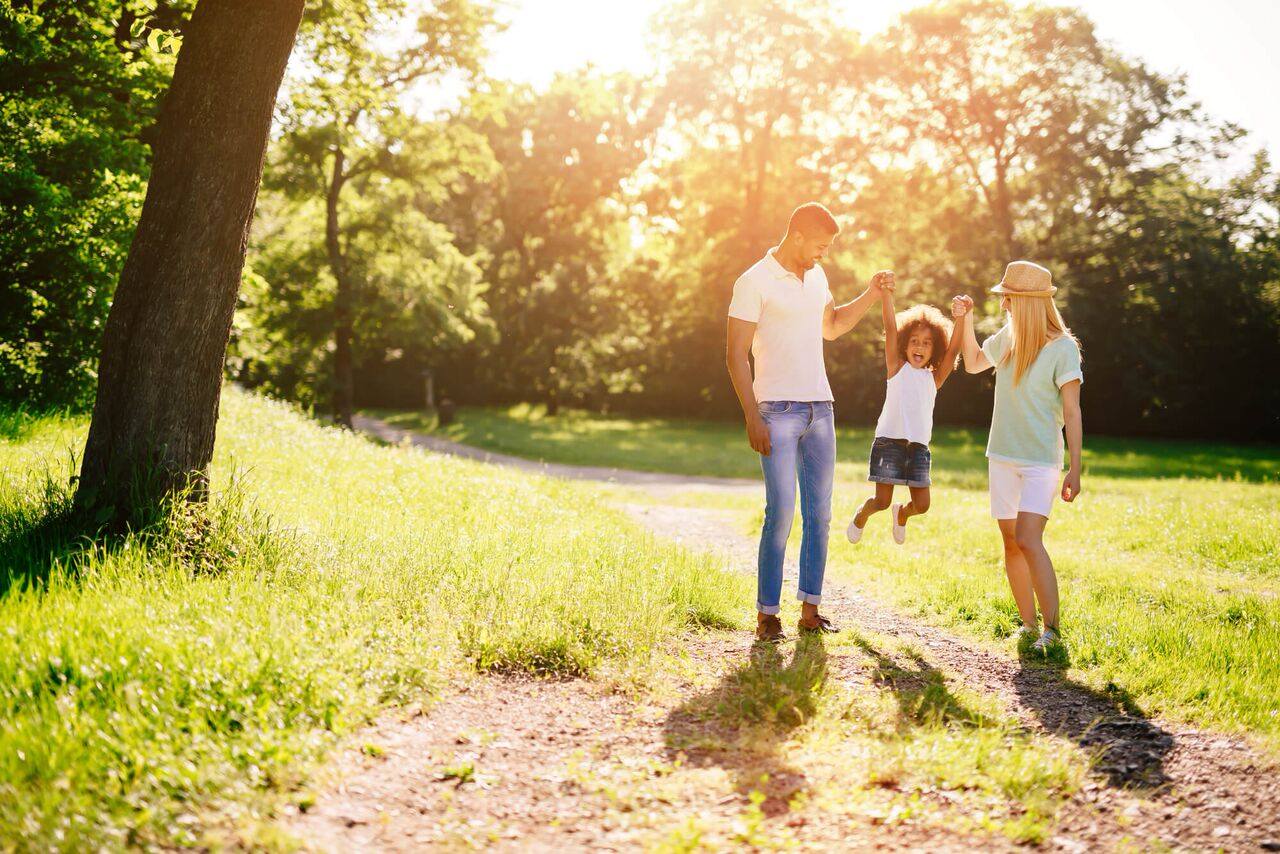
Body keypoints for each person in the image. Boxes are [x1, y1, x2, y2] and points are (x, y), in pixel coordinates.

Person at [725, 201, 893, 642]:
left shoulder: (817, 277)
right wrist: (751, 416)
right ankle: (767, 615)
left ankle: (810, 610)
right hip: (776, 412)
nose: (824, 254)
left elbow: (833, 326)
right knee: (780, 513)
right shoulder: (753, 281)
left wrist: (872, 293)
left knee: (819, 514)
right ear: (797, 234)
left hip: (821, 409)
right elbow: (734, 355)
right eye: (820, 245)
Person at [953, 261, 1083, 653]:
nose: (1004, 303)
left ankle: (1052, 630)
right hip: (1002, 456)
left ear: (1025, 301)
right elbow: (974, 363)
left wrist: (1075, 468)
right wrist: (966, 320)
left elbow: (1073, 411)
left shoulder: (1063, 348)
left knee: (1029, 538)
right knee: (1010, 542)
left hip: (1041, 460)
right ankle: (1027, 626)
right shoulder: (1008, 337)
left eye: (1007, 297)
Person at [846, 287, 963, 545]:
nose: (919, 347)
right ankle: (861, 515)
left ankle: (902, 513)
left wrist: (962, 317)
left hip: (919, 448)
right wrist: (886, 294)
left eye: (926, 343)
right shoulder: (896, 368)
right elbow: (889, 327)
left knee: (922, 505)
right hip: (889, 443)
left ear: (934, 349)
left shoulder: (934, 379)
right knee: (881, 501)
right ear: (904, 345)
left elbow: (954, 351)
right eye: (914, 341)